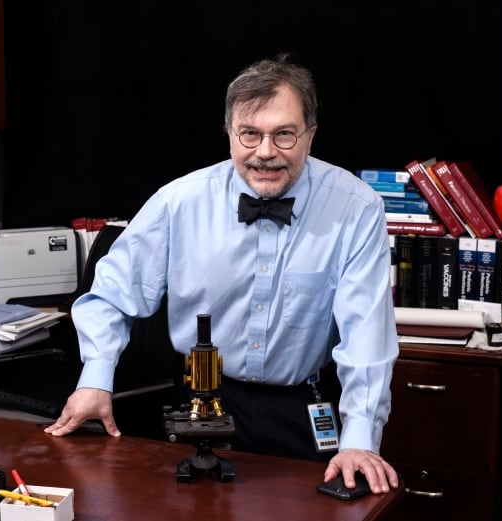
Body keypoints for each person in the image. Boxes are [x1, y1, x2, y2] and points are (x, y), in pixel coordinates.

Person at [45, 53, 400, 494]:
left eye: (284, 135)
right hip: (196, 404)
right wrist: (96, 379)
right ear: (230, 134)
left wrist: (359, 438)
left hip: (300, 404)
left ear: (310, 135)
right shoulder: (179, 202)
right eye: (249, 134)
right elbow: (111, 296)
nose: (265, 152)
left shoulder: (356, 207)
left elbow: (366, 331)